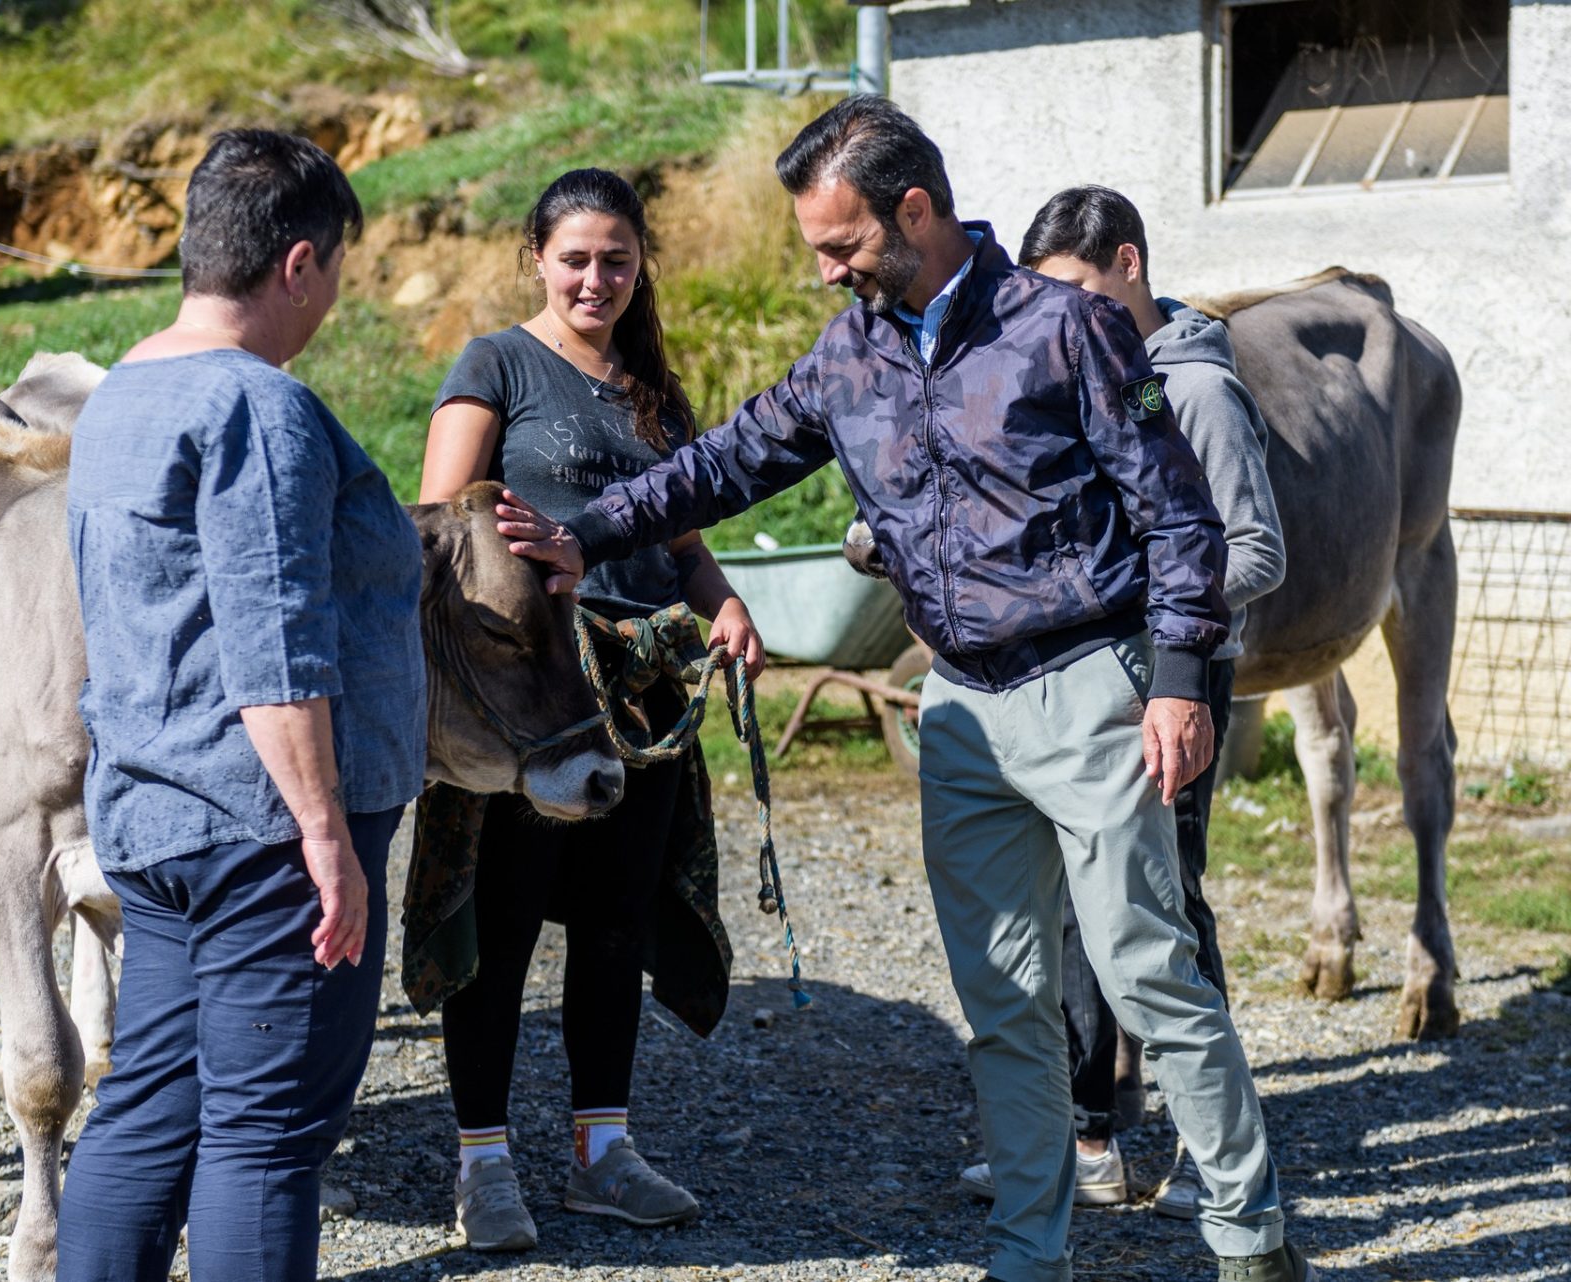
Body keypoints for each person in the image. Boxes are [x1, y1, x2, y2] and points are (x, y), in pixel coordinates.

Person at [501, 98, 1318, 1282]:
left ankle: (1252, 1240)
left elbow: (1179, 516)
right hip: (961, 708)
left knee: (1149, 968)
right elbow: (726, 459)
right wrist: (587, 532)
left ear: (916, 210)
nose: (828, 269)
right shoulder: (851, 351)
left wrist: (1182, 682)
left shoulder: (1068, 328)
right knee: (1004, 1002)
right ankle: (1029, 1255)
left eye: (842, 245)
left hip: (1093, 684)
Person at [57, 129, 427, 1282]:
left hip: (157, 818)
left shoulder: (121, 391)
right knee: (266, 1137)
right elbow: (275, 642)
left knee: (149, 1114)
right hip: (265, 834)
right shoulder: (256, 409)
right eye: (337, 275)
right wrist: (325, 832)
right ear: (299, 263)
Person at [410, 167, 763, 1252]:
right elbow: (439, 527)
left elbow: (685, 547)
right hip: (537, 696)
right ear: (537, 260)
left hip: (647, 700)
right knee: (505, 928)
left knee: (614, 926)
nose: (595, 279)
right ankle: (483, 1164)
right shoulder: (497, 364)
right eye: (575, 258)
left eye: (616, 258)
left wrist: (728, 603)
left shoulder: (656, 388)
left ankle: (602, 1152)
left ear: (640, 262)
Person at [952, 185, 1290, 1217]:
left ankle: (1210, 1157)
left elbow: (1258, 551)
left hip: (1172, 683)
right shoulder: (1087, 367)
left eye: (1081, 292)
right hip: (1089, 684)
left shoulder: (1199, 392)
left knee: (1165, 914)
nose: (1060, 318)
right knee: (1074, 918)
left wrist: (1138, 620)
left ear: (1130, 267)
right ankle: (1090, 1138)